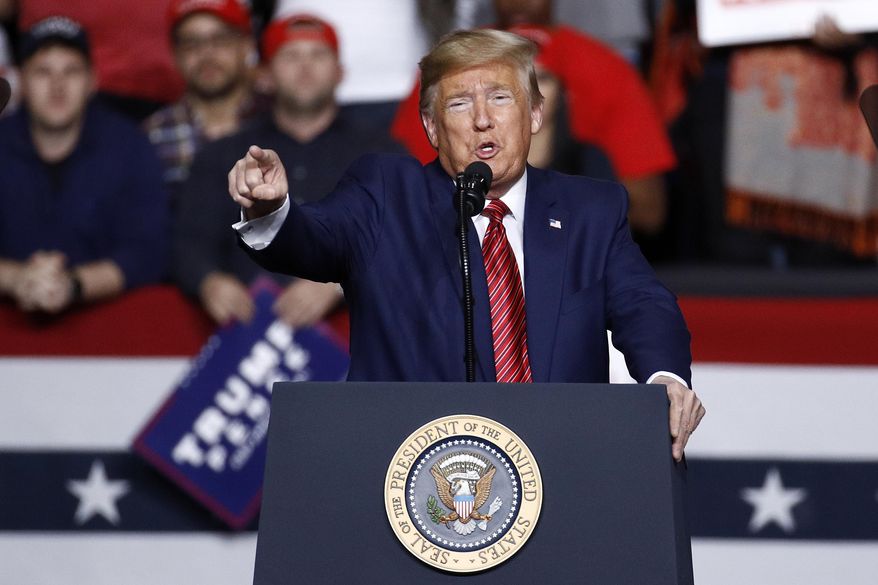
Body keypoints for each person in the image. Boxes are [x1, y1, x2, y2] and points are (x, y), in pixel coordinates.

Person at [226, 30, 704, 460]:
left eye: (500, 98)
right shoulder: (386, 194)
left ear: (534, 113)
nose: (482, 120)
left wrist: (664, 381)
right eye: (458, 104)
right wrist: (270, 210)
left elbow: (644, 304)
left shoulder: (590, 210)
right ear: (432, 128)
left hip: (563, 463)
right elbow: (313, 238)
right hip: (410, 473)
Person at [174, 13, 402, 327]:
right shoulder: (223, 154)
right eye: (290, 55)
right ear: (264, 75)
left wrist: (340, 283)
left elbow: (409, 237)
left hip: (354, 334)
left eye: (318, 55)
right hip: (242, 336)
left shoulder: (383, 154)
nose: (305, 67)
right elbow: (188, 241)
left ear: (340, 72)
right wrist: (208, 280)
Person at [394, 0, 676, 239]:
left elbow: (650, 211)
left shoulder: (604, 71)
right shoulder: (449, 71)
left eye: (539, 81)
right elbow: (405, 199)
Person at [0, 17, 168, 315]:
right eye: (42, 72)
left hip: (108, 335)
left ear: (93, 81)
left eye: (71, 71)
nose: (57, 86)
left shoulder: (130, 146)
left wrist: (73, 285)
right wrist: (15, 278)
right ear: (22, 82)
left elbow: (148, 252)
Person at [144, 0, 269, 198]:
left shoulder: (279, 119)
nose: (207, 54)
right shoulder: (153, 136)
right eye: (191, 43)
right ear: (175, 54)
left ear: (247, 45)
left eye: (220, 39)